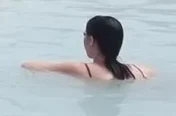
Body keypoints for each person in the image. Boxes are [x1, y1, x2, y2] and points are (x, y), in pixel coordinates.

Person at [22, 16, 154, 81]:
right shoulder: (140, 71)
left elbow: (28, 65)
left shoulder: (80, 69)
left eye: (85, 35)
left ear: (91, 40)